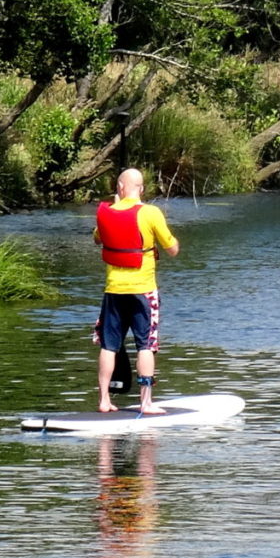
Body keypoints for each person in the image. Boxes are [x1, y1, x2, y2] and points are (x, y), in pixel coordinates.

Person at [93, 167, 180, 414]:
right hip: (143, 291)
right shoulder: (151, 213)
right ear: (141, 189)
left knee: (109, 346)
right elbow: (173, 249)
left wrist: (115, 207)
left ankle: (104, 400)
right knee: (145, 345)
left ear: (120, 187)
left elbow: (97, 239)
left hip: (113, 290)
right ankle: (146, 402)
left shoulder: (106, 213)